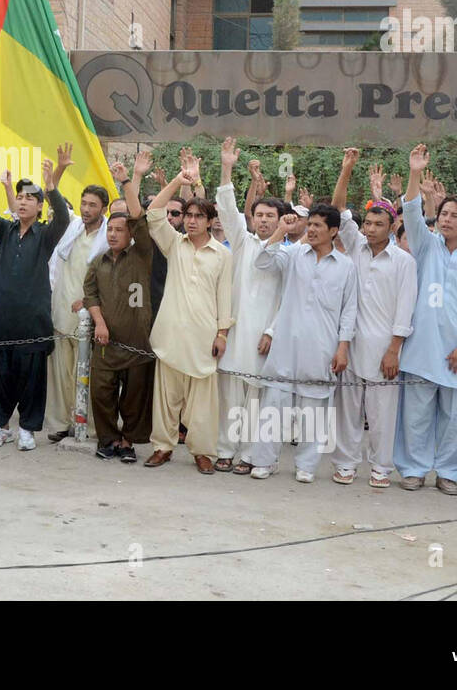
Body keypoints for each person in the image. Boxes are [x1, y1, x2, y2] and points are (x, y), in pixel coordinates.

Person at [394, 144, 457, 494]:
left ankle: (450, 473)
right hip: (421, 348)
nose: (446, 219)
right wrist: (415, 172)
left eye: (454, 215)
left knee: (455, 419)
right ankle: (413, 468)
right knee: (416, 414)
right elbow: (410, 211)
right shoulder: (425, 246)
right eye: (444, 214)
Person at [0, 145, 72, 451]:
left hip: (32, 322)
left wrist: (52, 187)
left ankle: (28, 428)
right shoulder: (5, 230)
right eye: (20, 197)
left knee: (32, 379)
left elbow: (63, 218)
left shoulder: (46, 235)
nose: (23, 201)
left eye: (30, 198)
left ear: (39, 207)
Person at [138, 149, 233, 473]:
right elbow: (153, 213)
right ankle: (162, 447)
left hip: (204, 338)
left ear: (209, 221)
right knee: (166, 399)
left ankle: (202, 452)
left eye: (198, 217)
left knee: (202, 406)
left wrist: (222, 333)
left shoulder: (221, 254)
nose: (191, 221)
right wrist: (180, 179)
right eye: (188, 216)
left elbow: (225, 298)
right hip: (171, 334)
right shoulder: (173, 244)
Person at [248, 202, 356, 482]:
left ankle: (306, 466)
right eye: (310, 225)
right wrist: (280, 231)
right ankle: (264, 460)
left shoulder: (346, 266)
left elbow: (349, 310)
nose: (312, 230)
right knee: (274, 403)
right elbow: (262, 261)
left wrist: (343, 347)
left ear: (333, 230)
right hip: (286, 343)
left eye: (318, 225)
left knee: (315, 409)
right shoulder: (294, 254)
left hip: (322, 346)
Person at [328, 150, 417, 488]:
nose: (371, 229)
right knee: (348, 410)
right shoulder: (354, 248)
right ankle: (346, 464)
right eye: (368, 223)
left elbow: (405, 308)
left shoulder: (404, 262)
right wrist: (346, 168)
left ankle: (381, 467)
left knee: (382, 414)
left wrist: (394, 349)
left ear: (393, 226)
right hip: (350, 343)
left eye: (379, 224)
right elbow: (338, 211)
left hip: (384, 347)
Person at [212, 138, 286, 474]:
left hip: (264, 338)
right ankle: (225, 450)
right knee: (229, 398)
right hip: (236, 332)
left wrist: (272, 330)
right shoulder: (242, 242)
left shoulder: (288, 255)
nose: (265, 220)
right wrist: (227, 167)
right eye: (260, 215)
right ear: (252, 217)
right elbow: (227, 209)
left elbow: (288, 300)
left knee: (256, 402)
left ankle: (248, 455)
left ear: (281, 220)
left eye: (271, 216)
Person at [83, 207, 155, 462]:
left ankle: (127, 442)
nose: (113, 235)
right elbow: (90, 293)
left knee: (134, 398)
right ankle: (109, 439)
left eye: (119, 230)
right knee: (102, 393)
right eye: (110, 230)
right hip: (106, 343)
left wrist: (131, 180)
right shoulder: (98, 261)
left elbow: (141, 222)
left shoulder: (142, 255)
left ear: (131, 234)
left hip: (137, 344)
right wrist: (99, 322)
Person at [45, 183, 108, 441]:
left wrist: (89, 302)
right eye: (84, 203)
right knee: (61, 374)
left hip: (89, 316)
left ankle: (88, 426)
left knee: (87, 375)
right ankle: (61, 424)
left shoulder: (107, 236)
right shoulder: (72, 229)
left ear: (103, 208)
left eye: (92, 205)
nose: (86, 209)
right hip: (62, 310)